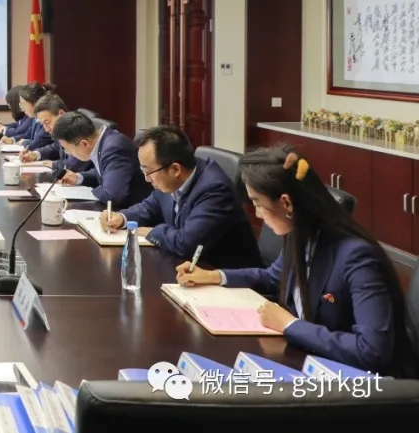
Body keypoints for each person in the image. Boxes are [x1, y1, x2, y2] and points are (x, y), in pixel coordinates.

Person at [176, 146, 419, 377]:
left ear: (286, 203)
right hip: (310, 361)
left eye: (257, 203)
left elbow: (372, 351)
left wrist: (290, 325)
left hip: (362, 385)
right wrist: (214, 276)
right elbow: (273, 277)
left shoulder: (356, 256)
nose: (257, 213)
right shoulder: (300, 235)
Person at [99, 126, 261, 269]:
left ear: (175, 169)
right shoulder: (170, 177)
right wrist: (122, 218)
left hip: (226, 279)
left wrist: (152, 231)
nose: (147, 179)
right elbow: (149, 207)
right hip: (189, 269)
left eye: (148, 172)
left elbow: (186, 243)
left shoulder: (215, 189)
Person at [52, 110, 151, 209]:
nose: (69, 154)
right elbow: (106, 172)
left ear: (84, 144)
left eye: (68, 149)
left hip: (133, 211)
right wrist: (78, 177)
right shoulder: (103, 140)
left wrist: (92, 190)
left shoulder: (113, 149)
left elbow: (113, 196)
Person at [18, 93, 90, 176]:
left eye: (47, 122)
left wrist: (55, 164)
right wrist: (35, 154)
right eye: (43, 124)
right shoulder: (62, 131)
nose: (46, 129)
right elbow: (55, 147)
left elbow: (73, 165)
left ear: (61, 113)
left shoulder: (77, 129)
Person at [0, 82, 52, 147]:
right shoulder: (35, 118)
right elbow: (28, 134)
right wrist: (12, 140)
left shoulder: (46, 120)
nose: (21, 108)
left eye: (23, 103)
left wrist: (25, 142)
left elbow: (39, 143)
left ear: (35, 103)